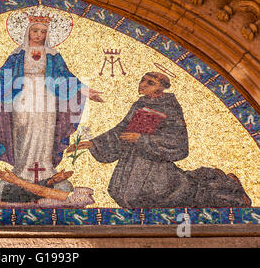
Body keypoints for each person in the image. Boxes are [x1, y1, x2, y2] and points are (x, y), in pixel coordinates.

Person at [0, 15, 103, 202]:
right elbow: (2, 75)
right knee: (22, 128)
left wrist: (86, 90)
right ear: (28, 31)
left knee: (45, 130)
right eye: (35, 30)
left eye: (43, 31)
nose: (39, 34)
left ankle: (45, 168)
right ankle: (22, 169)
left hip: (47, 98)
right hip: (22, 96)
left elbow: (66, 77)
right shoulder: (17, 55)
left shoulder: (54, 56)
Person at [67, 72, 252, 208]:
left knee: (161, 193)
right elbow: (122, 130)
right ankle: (213, 180)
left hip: (155, 166)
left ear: (161, 87)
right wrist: (94, 143)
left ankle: (229, 190)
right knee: (118, 192)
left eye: (150, 82)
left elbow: (179, 142)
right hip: (132, 163)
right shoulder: (140, 104)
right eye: (143, 80)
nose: (143, 84)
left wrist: (142, 140)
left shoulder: (170, 107)